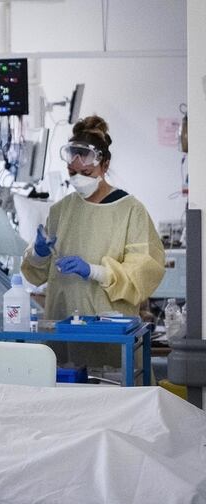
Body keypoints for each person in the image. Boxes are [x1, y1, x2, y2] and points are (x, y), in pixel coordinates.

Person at [21, 115, 165, 370]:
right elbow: (36, 275)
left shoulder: (130, 210)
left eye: (86, 173)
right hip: (63, 329)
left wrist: (93, 271)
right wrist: (39, 253)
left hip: (110, 333)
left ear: (105, 164)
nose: (78, 179)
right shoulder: (60, 211)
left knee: (109, 385)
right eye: (72, 173)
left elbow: (142, 274)